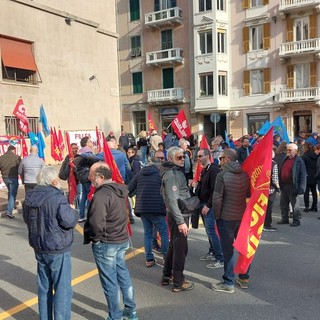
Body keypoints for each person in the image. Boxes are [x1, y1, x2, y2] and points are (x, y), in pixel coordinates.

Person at [84, 162, 138, 320]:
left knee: (109, 281)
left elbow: (96, 222)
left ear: (101, 177)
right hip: (121, 239)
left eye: (92, 175)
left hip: (107, 242)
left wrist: (95, 239)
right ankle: (131, 310)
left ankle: (115, 316)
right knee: (122, 274)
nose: (89, 178)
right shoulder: (120, 189)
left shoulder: (102, 195)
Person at [23, 166, 78, 320]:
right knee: (62, 289)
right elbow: (69, 221)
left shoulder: (30, 196)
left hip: (39, 246)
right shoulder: (57, 197)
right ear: (54, 181)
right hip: (57, 247)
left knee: (44, 287)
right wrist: (73, 211)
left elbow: (27, 219)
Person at [211, 149, 250, 294]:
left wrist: (216, 216)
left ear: (227, 158)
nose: (219, 161)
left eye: (221, 158)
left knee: (228, 252)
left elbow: (217, 199)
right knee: (243, 248)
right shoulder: (245, 174)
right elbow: (247, 195)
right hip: (242, 217)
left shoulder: (222, 175)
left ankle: (228, 282)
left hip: (226, 218)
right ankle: (244, 277)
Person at [160, 146, 194, 292]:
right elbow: (172, 200)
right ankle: (178, 281)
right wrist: (180, 221)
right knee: (181, 249)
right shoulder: (172, 175)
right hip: (178, 215)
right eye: (179, 157)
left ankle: (167, 275)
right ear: (171, 158)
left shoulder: (175, 172)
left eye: (184, 157)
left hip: (178, 214)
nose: (183, 159)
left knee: (174, 246)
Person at [128, 153, 169, 267]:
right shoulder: (161, 174)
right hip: (157, 208)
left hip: (143, 208)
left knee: (148, 233)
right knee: (164, 232)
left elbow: (128, 189)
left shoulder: (139, 174)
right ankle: (166, 258)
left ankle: (149, 259)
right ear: (158, 165)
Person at [191, 148, 223, 267]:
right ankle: (212, 251)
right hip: (203, 203)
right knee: (208, 231)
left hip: (209, 205)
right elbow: (204, 187)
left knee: (211, 230)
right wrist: (196, 185)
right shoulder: (205, 170)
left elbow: (215, 190)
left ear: (207, 156)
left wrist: (208, 205)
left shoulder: (214, 169)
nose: (198, 159)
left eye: (200, 156)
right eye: (197, 157)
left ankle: (220, 257)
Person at [278, 143, 306, 227]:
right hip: (284, 185)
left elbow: (303, 175)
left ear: (295, 151)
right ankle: (284, 219)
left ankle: (296, 220)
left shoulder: (299, 161)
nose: (288, 151)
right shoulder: (285, 158)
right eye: (287, 150)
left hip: (293, 185)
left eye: (290, 150)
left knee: (294, 204)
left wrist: (301, 188)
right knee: (283, 203)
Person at [74, 136, 96, 222]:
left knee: (84, 196)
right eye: (90, 141)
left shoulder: (80, 152)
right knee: (90, 195)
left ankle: (81, 215)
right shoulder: (88, 152)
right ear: (86, 143)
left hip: (81, 176)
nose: (92, 143)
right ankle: (90, 215)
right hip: (87, 176)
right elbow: (93, 162)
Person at [0, 145, 21, 218]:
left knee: (10, 191)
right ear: (13, 150)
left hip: (5, 178)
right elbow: (20, 168)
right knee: (12, 194)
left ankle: (11, 206)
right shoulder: (16, 157)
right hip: (13, 178)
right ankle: (9, 211)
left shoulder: (1, 158)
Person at [263, 150, 280, 231]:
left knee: (263, 207)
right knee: (269, 207)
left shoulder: (262, 162)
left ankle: (262, 223)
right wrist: (278, 188)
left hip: (262, 187)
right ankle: (267, 224)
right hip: (271, 189)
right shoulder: (274, 164)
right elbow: (275, 179)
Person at [302, 142, 318, 212]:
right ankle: (315, 206)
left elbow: (303, 167)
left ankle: (307, 206)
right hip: (314, 175)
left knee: (306, 192)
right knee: (314, 191)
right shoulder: (315, 155)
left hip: (307, 175)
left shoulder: (304, 156)